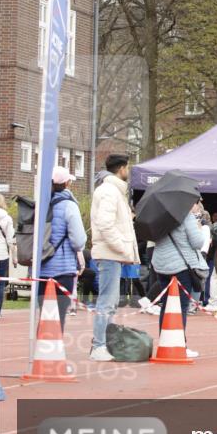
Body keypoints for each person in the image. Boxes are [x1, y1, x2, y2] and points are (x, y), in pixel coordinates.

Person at [90, 153, 139, 361]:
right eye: (127, 168)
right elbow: (105, 223)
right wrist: (121, 247)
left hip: (112, 253)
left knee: (109, 302)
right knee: (107, 302)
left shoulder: (113, 192)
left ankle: (103, 344)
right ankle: (98, 345)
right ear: (122, 168)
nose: (128, 172)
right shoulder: (110, 192)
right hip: (110, 253)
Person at [151, 201, 207, 358]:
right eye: (196, 203)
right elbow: (198, 242)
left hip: (161, 265)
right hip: (180, 266)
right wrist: (198, 228)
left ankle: (165, 341)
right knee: (180, 306)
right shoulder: (186, 217)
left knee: (166, 305)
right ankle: (179, 344)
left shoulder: (160, 217)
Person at [38, 167, 87, 329]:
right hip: (62, 269)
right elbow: (78, 241)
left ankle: (41, 349)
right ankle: (53, 351)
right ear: (67, 183)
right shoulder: (69, 205)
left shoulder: (40, 204)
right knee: (58, 317)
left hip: (40, 268)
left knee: (44, 316)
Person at [0, 193, 16, 318]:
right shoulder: (7, 218)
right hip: (2, 254)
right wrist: (14, 257)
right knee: (0, 283)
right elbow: (11, 240)